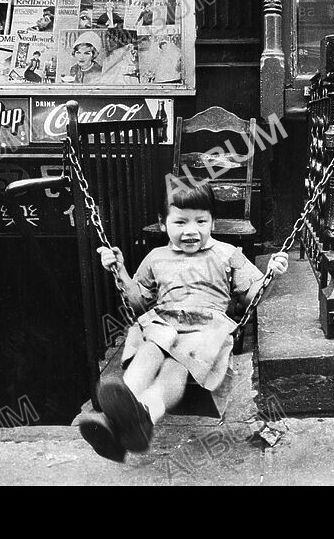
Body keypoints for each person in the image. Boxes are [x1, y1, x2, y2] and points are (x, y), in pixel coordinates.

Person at [77, 182, 289, 461]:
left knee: (175, 369)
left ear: (213, 222)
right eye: (180, 222)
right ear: (163, 224)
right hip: (163, 324)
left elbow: (251, 296)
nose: (191, 230)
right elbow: (139, 302)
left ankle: (143, 415)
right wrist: (120, 270)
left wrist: (269, 275)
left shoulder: (227, 254)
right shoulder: (156, 257)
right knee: (150, 350)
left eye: (201, 221)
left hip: (205, 328)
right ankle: (121, 414)